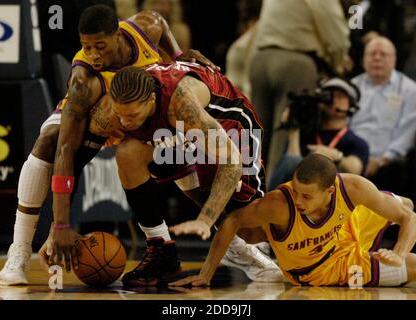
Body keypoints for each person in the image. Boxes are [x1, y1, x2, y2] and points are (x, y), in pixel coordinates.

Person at [0, 4, 217, 286]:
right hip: (88, 116)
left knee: (184, 161)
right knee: (48, 142)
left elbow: (161, 21)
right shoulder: (83, 79)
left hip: (128, 118)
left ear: (118, 35)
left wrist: (177, 55)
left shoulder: (145, 28)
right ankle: (19, 251)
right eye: (86, 47)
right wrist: (62, 224)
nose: (93, 54)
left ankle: (235, 246)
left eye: (99, 46)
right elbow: (67, 150)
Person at [49, 62, 281, 287]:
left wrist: (205, 221)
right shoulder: (110, 111)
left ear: (150, 100)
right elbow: (74, 161)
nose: (124, 123)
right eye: (120, 116)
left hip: (228, 127)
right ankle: (162, 250)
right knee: (129, 152)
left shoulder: (183, 105)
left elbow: (231, 163)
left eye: (132, 116)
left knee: (250, 227)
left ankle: (282, 250)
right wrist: (58, 226)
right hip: (175, 133)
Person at [170, 154, 416, 287]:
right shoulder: (280, 204)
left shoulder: (353, 187)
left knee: (405, 205)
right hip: (321, 268)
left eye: (306, 195)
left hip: (343, 229)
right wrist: (206, 274)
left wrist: (398, 251)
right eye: (295, 190)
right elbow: (233, 221)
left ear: (330, 190)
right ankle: (367, 257)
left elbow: (411, 219)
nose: (299, 200)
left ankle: (373, 251)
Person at [249, 0, 352, 181]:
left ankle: (244, 193)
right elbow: (336, 36)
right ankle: (273, 197)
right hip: (295, 62)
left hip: (260, 60)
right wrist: (339, 64)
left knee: (255, 135)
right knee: (285, 136)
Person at [350, 36, 416, 192]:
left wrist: (382, 160)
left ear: (394, 60)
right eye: (372, 54)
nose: (377, 58)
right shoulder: (352, 86)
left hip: (387, 164)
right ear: (364, 59)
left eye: (383, 54)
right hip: (350, 157)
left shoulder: (411, 92)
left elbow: (407, 134)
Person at [269, 78, 369, 190]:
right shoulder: (306, 134)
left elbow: (355, 170)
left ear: (351, 105)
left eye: (340, 96)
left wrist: (335, 156)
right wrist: (294, 126)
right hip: (298, 193)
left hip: (333, 196)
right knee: (293, 160)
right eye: (328, 95)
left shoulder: (355, 142)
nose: (332, 100)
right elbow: (289, 165)